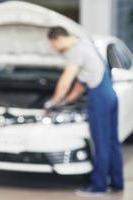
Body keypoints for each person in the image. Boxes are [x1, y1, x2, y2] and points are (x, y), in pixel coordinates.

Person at [45, 26, 124, 196]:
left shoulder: (76, 51)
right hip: (109, 95)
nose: (54, 49)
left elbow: (66, 80)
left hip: (99, 99)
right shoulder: (87, 46)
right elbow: (80, 84)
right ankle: (117, 183)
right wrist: (66, 101)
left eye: (53, 45)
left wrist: (52, 102)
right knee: (112, 142)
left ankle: (98, 187)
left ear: (58, 39)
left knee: (100, 143)